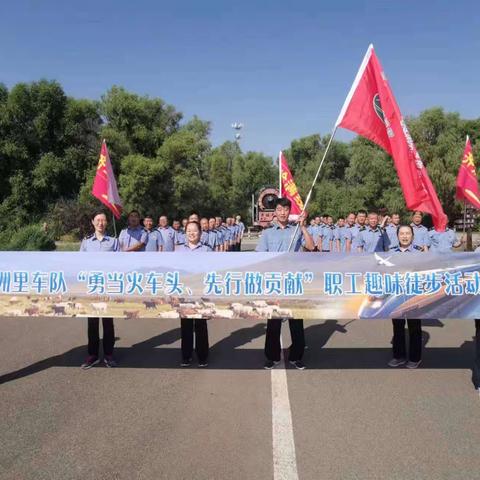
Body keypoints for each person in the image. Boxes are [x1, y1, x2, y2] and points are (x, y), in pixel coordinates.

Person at [256, 197, 314, 370]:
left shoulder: (296, 230)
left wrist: (303, 227)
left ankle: (296, 356)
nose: (282, 213)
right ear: (275, 212)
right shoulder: (267, 233)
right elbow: (260, 255)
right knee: (273, 322)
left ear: (290, 212)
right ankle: (272, 357)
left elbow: (311, 247)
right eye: (279, 209)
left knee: (296, 321)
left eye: (286, 210)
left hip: (293, 282)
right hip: (274, 282)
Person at [79, 211, 119, 369]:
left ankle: (109, 355)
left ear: (107, 223)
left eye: (103, 220)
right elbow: (80, 263)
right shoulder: (86, 242)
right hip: (92, 287)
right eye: (98, 220)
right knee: (92, 322)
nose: (101, 223)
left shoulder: (113, 242)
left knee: (108, 322)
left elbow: (120, 264)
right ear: (93, 222)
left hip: (108, 286)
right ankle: (93, 355)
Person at [388, 224, 424, 369]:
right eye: (402, 233)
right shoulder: (390, 253)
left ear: (412, 236)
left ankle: (415, 358)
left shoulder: (420, 253)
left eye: (407, 233)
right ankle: (399, 356)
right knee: (397, 327)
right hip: (396, 296)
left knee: (414, 327)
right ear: (397, 236)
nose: (404, 236)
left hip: (414, 296)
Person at [177, 221, 212, 367]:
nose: (192, 233)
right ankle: (186, 356)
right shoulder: (178, 250)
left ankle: (202, 356)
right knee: (186, 325)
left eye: (195, 231)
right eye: (189, 231)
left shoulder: (207, 251)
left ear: (200, 233)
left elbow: (212, 270)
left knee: (200, 325)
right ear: (185, 233)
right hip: (184, 293)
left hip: (200, 292)